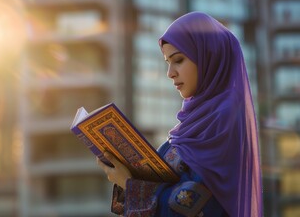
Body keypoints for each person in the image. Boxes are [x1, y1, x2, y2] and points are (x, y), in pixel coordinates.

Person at [97, 11, 263, 217]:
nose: (170, 73)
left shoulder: (223, 117)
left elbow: (195, 205)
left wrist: (130, 184)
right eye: (168, 62)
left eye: (179, 60)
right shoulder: (193, 121)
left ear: (207, 55)